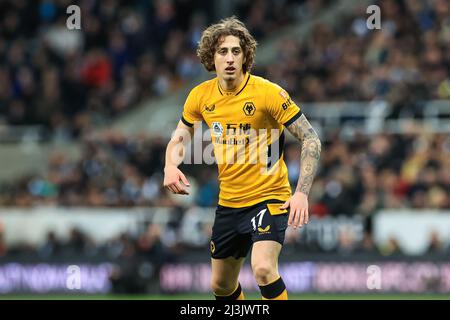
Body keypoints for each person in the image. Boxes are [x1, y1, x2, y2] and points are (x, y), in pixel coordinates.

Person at [163, 16, 321, 300]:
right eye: (222, 51)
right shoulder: (200, 96)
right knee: (221, 286)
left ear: (246, 55)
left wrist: (302, 193)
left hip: (269, 198)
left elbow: (311, 138)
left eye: (236, 51)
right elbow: (179, 137)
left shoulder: (267, 93)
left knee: (262, 269)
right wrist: (170, 165)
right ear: (211, 57)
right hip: (230, 204)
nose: (230, 58)